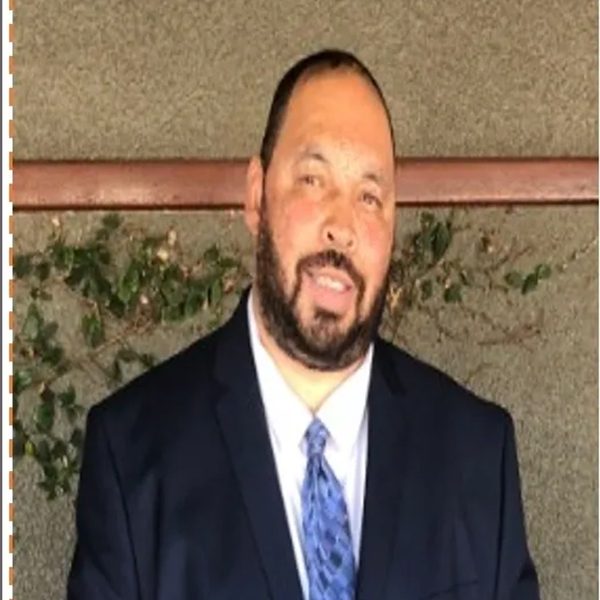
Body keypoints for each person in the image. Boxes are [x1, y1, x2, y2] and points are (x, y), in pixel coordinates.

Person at [67, 49, 539, 600]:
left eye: (370, 195)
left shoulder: (477, 454)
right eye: (313, 180)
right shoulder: (133, 453)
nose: (342, 226)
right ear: (255, 195)